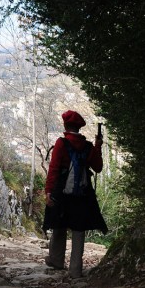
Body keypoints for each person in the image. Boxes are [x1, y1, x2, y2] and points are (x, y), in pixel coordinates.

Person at [42, 110, 108, 279]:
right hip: (82, 195)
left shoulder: (61, 143)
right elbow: (98, 167)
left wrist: (49, 191)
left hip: (63, 193)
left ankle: (56, 260)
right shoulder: (87, 147)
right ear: (79, 127)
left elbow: (54, 169)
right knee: (79, 230)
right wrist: (98, 146)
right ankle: (75, 270)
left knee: (59, 224)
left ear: (65, 126)